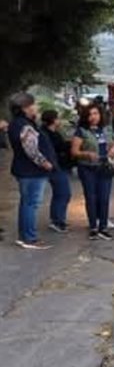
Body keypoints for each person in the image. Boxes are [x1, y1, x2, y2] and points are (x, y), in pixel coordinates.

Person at [7, 93, 55, 250]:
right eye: (33, 105)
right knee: (31, 204)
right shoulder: (24, 125)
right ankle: (30, 238)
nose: (36, 108)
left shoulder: (17, 123)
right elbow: (31, 149)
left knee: (26, 203)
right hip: (31, 171)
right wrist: (45, 163)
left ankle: (24, 236)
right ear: (25, 108)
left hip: (25, 170)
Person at [71, 103, 114, 241]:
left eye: (95, 114)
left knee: (104, 198)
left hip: (104, 166)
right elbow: (74, 151)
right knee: (91, 197)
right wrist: (86, 154)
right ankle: (93, 226)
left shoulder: (105, 129)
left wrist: (113, 148)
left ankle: (103, 227)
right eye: (90, 114)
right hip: (88, 168)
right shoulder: (81, 131)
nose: (93, 117)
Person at [41, 110, 73, 233]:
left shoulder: (53, 133)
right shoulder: (48, 135)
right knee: (63, 194)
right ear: (53, 120)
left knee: (59, 194)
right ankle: (58, 221)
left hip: (59, 165)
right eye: (58, 118)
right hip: (56, 167)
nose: (59, 121)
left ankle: (57, 219)